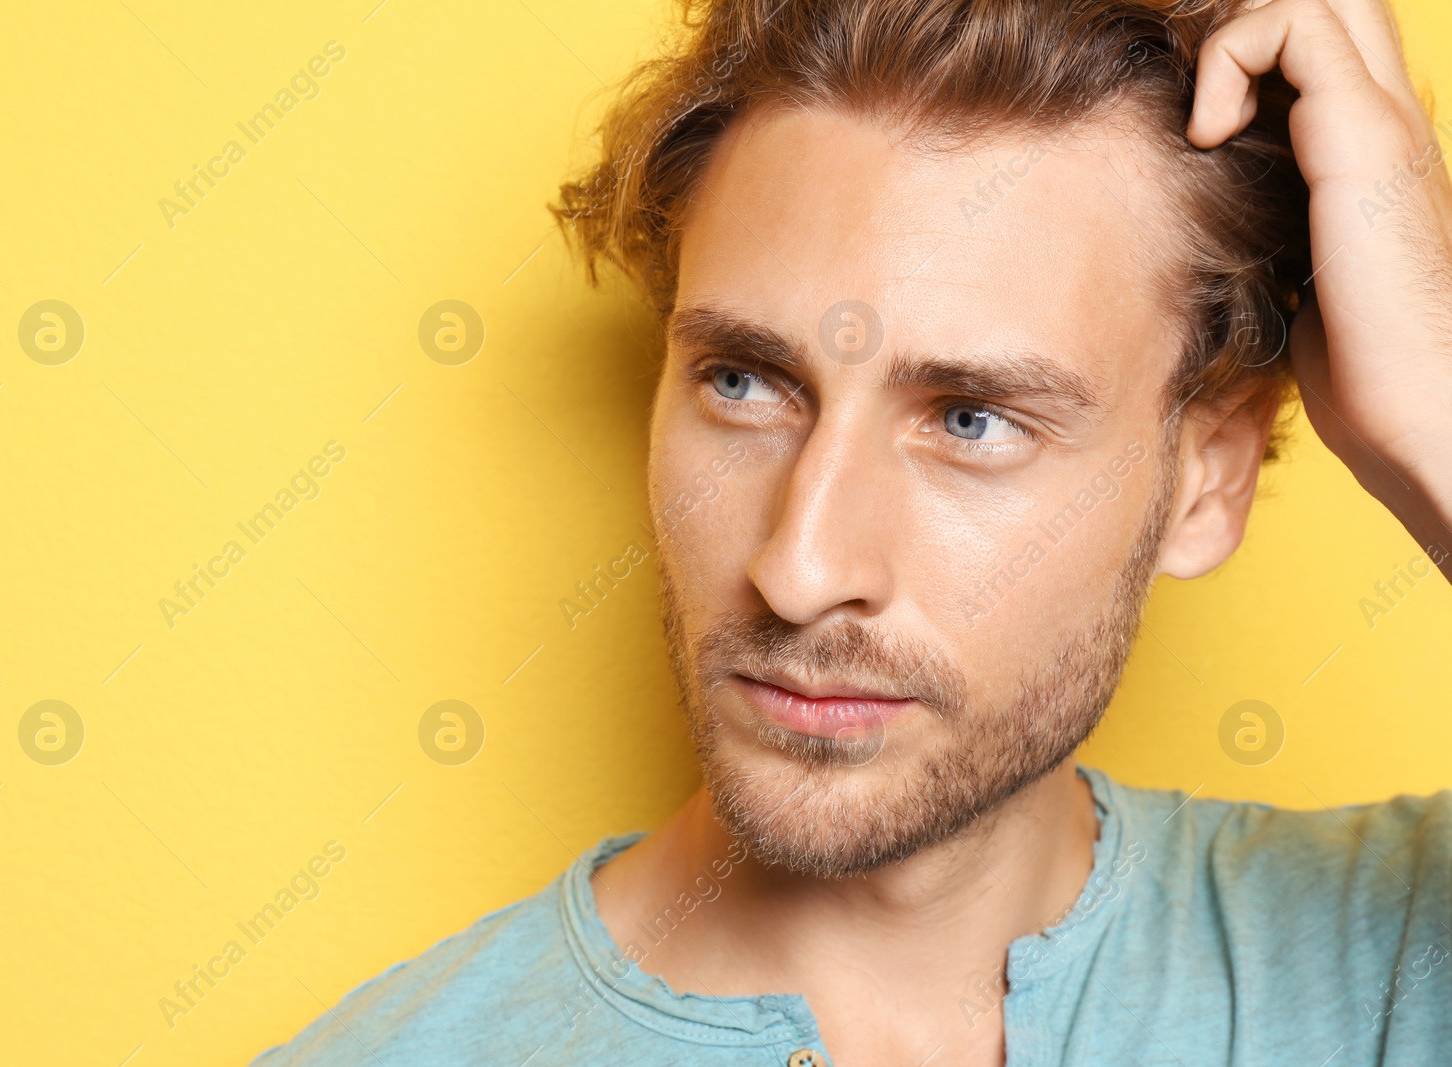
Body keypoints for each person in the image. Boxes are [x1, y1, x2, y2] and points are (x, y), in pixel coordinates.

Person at [253, 0, 1452, 1063]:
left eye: (972, 418)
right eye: (741, 382)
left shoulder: (1388, 968)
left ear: (1205, 481)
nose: (799, 566)